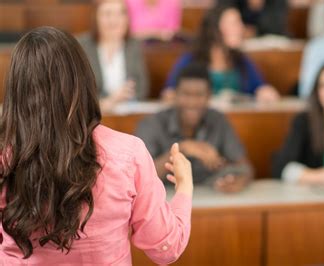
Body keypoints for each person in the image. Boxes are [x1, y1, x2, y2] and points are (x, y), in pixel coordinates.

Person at [0, 27, 192, 265]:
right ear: (82, 80)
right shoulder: (128, 154)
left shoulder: (5, 156)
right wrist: (184, 188)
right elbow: (166, 248)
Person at [137, 64, 253, 193]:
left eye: (199, 95)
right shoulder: (152, 124)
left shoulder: (218, 120)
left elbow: (245, 167)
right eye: (186, 94)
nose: (192, 102)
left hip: (210, 197)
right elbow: (141, 177)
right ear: (175, 94)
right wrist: (182, 149)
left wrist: (237, 181)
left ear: (209, 96)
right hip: (166, 199)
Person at [163, 4, 280, 103]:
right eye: (234, 23)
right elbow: (169, 94)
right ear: (215, 30)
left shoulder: (242, 61)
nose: (241, 28)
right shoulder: (190, 60)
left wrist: (265, 92)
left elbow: (260, 88)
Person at [78, 0, 149, 113]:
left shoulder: (134, 45)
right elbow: (79, 91)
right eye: (107, 14)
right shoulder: (81, 45)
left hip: (128, 111)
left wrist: (127, 96)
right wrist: (110, 101)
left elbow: (142, 87)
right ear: (95, 18)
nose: (114, 20)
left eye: (121, 14)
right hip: (94, 114)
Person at [223, 0, 289, 37]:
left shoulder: (277, 2)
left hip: (274, 43)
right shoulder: (235, 3)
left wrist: (255, 31)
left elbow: (277, 26)